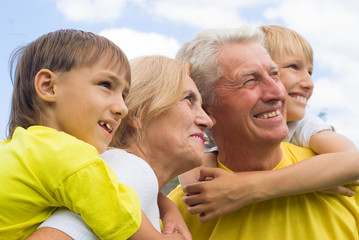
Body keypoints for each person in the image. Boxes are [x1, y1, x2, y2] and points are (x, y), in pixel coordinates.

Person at [169, 25, 359, 239]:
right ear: (205, 110)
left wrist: (249, 187)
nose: (279, 92)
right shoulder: (176, 216)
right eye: (249, 81)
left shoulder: (341, 182)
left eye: (274, 74)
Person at [26, 55, 213, 240]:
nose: (207, 121)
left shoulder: (120, 174)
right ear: (139, 114)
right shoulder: (132, 170)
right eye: (189, 100)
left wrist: (163, 204)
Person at [0, 29, 144, 240]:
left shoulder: (18, 151)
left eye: (124, 95)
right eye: (106, 85)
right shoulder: (68, 154)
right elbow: (122, 218)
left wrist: (165, 204)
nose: (122, 108)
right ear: (49, 87)